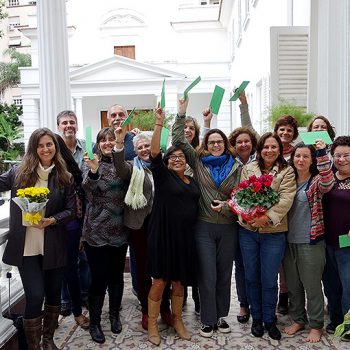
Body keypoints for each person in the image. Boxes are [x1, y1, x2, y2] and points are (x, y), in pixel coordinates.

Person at [0, 128, 75, 350]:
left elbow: (72, 210)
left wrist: (52, 220)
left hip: (53, 244)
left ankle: (48, 340)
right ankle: (34, 346)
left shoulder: (65, 176)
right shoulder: (18, 173)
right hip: (26, 246)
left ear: (55, 147)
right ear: (34, 148)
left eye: (49, 144)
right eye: (40, 145)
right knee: (34, 295)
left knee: (53, 295)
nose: (45, 149)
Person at [172, 97, 241, 338]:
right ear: (205, 143)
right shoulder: (198, 161)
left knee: (224, 274)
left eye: (219, 142)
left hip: (228, 226)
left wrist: (226, 206)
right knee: (207, 275)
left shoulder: (237, 166)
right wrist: (182, 112)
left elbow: (244, 198)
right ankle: (208, 319)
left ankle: (221, 315)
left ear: (225, 144)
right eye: (211, 142)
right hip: (203, 226)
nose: (215, 145)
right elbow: (179, 138)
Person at [146, 105, 200, 346]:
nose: (177, 159)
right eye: (173, 157)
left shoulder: (191, 181)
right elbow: (155, 153)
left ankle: (177, 319)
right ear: (167, 163)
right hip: (163, 236)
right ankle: (153, 325)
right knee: (159, 281)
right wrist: (159, 124)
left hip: (185, 238)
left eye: (181, 157)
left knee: (179, 282)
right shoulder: (162, 175)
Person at [238, 132, 296, 341]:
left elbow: (286, 199)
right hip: (249, 231)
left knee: (269, 279)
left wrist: (267, 218)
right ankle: (257, 318)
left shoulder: (287, 171)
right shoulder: (248, 168)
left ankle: (270, 319)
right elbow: (242, 195)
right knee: (252, 277)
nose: (269, 150)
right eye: (265, 147)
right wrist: (251, 217)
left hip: (274, 232)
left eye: (274, 147)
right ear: (259, 149)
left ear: (279, 149)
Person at [282, 141, 334, 343]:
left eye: (305, 156)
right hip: (287, 241)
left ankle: (316, 325)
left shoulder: (316, 183)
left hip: (310, 242)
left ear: (312, 160)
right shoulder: (287, 181)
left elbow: (328, 182)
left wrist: (321, 153)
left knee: (312, 286)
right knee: (293, 286)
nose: (300, 159)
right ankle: (298, 319)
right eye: (297, 156)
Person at [82, 127, 129, 344]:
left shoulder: (125, 165)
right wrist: (93, 171)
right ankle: (95, 323)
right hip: (96, 232)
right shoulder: (91, 163)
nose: (108, 143)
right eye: (103, 140)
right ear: (98, 144)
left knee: (116, 277)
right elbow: (88, 191)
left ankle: (114, 316)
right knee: (98, 279)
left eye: (112, 139)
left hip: (120, 230)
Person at [113, 129, 154, 330]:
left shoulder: (162, 164)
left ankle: (164, 307)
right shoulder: (132, 167)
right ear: (135, 151)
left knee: (163, 268)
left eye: (147, 145)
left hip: (161, 224)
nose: (145, 149)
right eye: (140, 147)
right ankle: (146, 310)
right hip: (139, 224)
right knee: (144, 269)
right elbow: (119, 167)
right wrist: (119, 144)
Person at [56, 110, 91, 320]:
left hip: (85, 205)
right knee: (63, 258)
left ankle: (84, 295)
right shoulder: (55, 149)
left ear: (77, 125)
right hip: (64, 207)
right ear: (59, 126)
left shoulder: (86, 147)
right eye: (64, 123)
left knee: (84, 257)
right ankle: (65, 300)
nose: (69, 126)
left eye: (72, 122)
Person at [228, 127, 258, 324]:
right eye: (239, 142)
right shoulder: (230, 163)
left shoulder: (259, 162)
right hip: (233, 221)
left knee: (256, 266)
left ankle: (258, 304)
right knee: (240, 265)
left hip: (257, 220)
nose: (243, 145)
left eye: (247, 141)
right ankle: (244, 303)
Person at [322, 136, 350, 342]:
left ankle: (348, 324)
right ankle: (335, 318)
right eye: (337, 155)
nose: (341, 159)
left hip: (347, 242)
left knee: (348, 283)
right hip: (326, 240)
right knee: (331, 283)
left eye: (346, 155)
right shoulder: (328, 177)